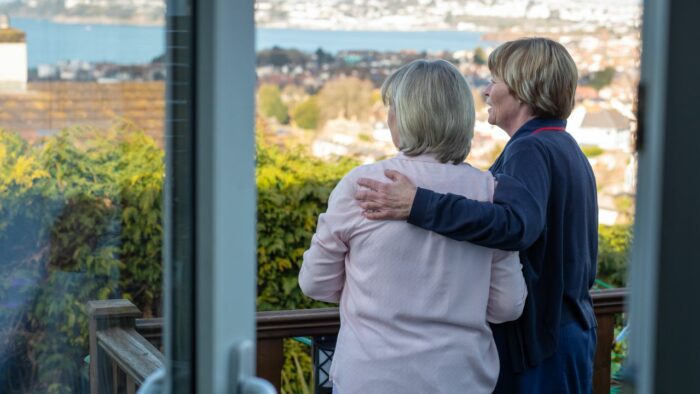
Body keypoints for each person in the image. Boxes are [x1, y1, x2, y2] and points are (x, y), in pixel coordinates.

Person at [355, 37, 599, 394]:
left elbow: (516, 225)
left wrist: (417, 204)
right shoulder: (564, 147)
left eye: (495, 81)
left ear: (523, 89)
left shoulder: (530, 150)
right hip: (570, 332)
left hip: (540, 344)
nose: (486, 91)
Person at [299, 59, 527, 394]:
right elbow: (507, 306)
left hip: (371, 378)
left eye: (392, 108)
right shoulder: (489, 191)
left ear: (404, 116)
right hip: (461, 379)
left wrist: (368, 294)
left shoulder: (362, 185)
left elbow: (314, 282)